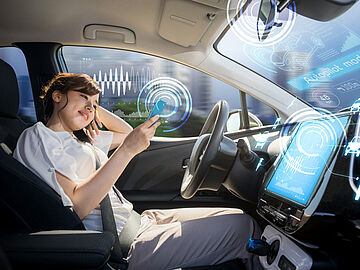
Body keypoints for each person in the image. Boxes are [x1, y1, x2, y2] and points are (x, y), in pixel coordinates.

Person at [13, 73, 262, 270]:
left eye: (95, 103)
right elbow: (77, 206)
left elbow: (124, 134)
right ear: (57, 96)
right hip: (123, 243)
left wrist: (94, 109)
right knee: (244, 228)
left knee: (234, 213)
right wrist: (126, 151)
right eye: (83, 97)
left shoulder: (81, 140)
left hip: (139, 221)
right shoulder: (38, 137)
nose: (90, 108)